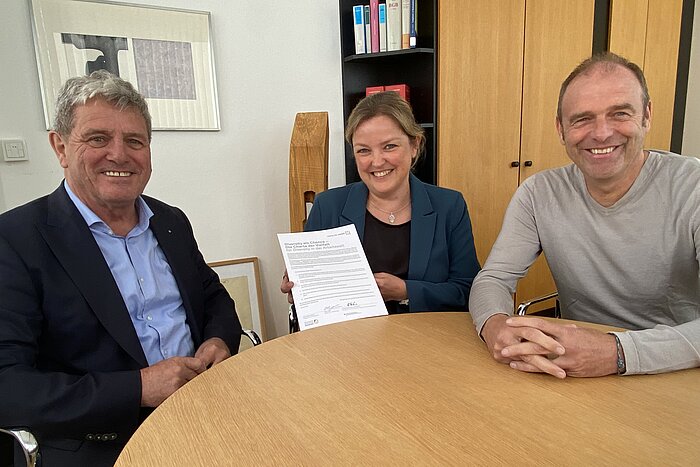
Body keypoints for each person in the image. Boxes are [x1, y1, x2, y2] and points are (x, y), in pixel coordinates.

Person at [0, 71, 242, 466]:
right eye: (97, 139)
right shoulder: (14, 239)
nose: (119, 154)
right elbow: (8, 386)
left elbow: (214, 297)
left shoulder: (171, 221)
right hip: (100, 442)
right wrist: (139, 388)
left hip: (202, 411)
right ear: (59, 147)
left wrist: (218, 340)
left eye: (135, 141)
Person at [469, 52, 700, 378]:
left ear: (646, 116)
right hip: (576, 373)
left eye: (620, 113)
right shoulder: (539, 193)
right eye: (582, 119)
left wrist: (617, 352)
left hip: (677, 373)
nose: (602, 133)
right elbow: (493, 279)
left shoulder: (693, 187)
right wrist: (495, 326)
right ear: (561, 129)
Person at [282, 91, 480, 313]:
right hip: (349, 340)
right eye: (364, 150)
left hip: (428, 338)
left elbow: (468, 290)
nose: (377, 161)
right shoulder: (327, 206)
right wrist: (300, 287)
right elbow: (312, 297)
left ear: (414, 145)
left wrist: (407, 291)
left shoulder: (449, 205)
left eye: (389, 146)